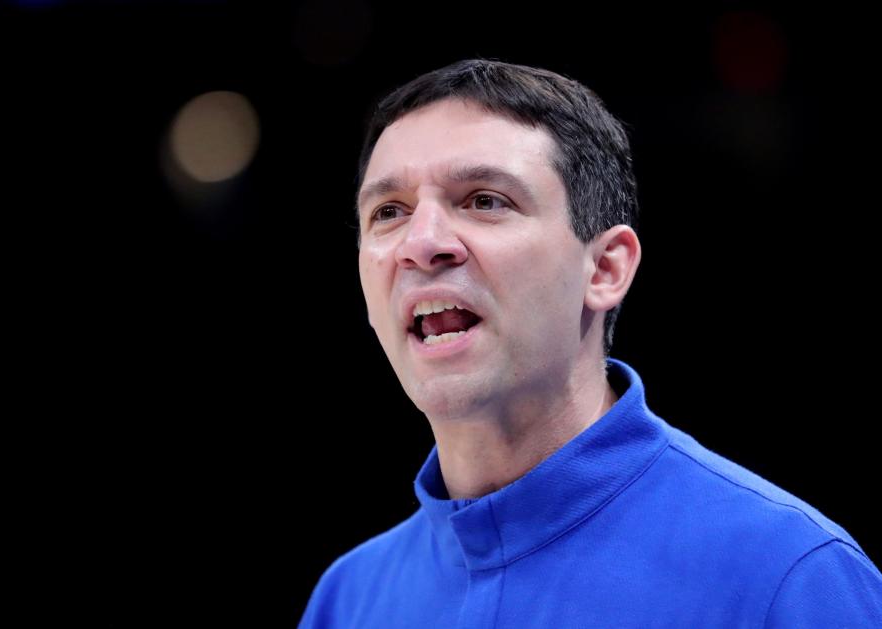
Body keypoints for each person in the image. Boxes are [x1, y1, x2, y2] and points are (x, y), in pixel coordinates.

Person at [298, 58, 882, 627]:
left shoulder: (787, 577)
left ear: (604, 268)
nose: (420, 243)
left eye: (484, 200)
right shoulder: (348, 599)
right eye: (389, 211)